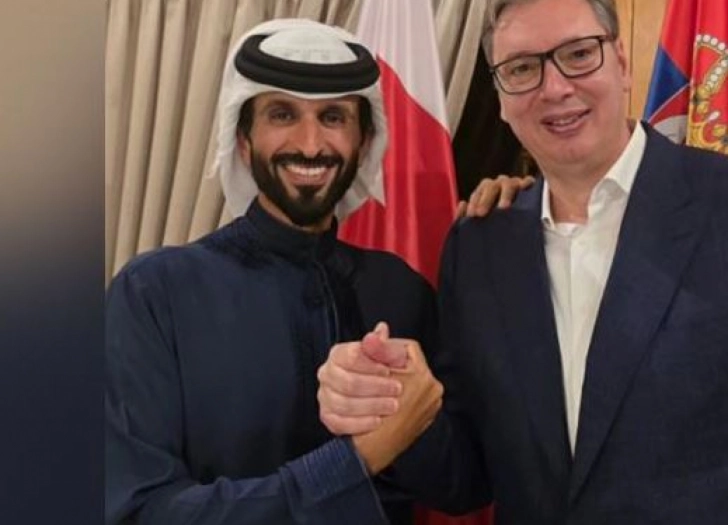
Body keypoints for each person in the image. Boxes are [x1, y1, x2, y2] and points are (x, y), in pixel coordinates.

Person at [317, 0, 728, 524]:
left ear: (622, 63)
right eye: (522, 68)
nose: (555, 87)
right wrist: (396, 406)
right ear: (500, 98)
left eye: (579, 54)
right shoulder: (478, 250)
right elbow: (469, 476)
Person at [105, 18, 528, 525]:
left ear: (364, 141)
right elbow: (139, 511)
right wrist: (355, 461)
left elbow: (466, 486)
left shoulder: (400, 289)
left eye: (333, 117)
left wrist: (416, 418)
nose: (310, 144)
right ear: (244, 139)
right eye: (282, 114)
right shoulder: (156, 292)